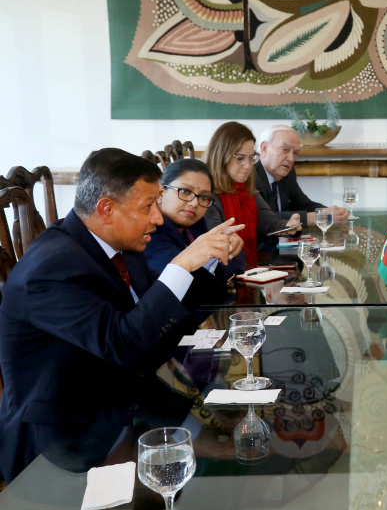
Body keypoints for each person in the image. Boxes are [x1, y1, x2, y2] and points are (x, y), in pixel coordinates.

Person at [0, 148, 245, 481]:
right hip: (63, 446)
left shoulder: (119, 246)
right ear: (107, 209)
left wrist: (208, 263)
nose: (158, 218)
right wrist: (180, 265)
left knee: (226, 472)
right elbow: (124, 345)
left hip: (123, 408)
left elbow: (157, 322)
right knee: (212, 485)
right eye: (147, 207)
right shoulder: (53, 267)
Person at [204, 121, 301, 269]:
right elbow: (217, 236)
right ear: (221, 156)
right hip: (221, 272)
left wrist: (288, 225)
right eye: (240, 158)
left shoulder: (245, 188)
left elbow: (269, 222)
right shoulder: (206, 192)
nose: (248, 166)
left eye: (251, 158)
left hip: (246, 268)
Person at [145, 158, 245, 286]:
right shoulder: (150, 233)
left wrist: (227, 245)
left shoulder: (196, 226)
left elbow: (235, 268)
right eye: (185, 191)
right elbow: (192, 286)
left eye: (203, 197)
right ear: (160, 193)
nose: (194, 203)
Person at [255, 124, 348, 230]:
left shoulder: (288, 173)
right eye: (285, 149)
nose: (291, 158)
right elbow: (264, 218)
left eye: (295, 153)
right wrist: (315, 217)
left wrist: (328, 212)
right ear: (264, 148)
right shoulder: (251, 175)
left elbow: (303, 204)